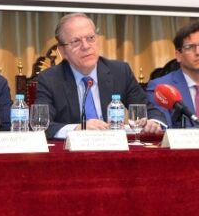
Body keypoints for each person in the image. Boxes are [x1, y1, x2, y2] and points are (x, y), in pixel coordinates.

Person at [35, 13, 163, 139]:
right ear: (62, 51)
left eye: (90, 38)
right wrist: (79, 128)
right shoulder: (50, 79)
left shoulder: (119, 72)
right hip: (72, 153)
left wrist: (153, 122)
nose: (85, 46)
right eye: (76, 41)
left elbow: (149, 110)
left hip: (113, 149)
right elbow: (40, 125)